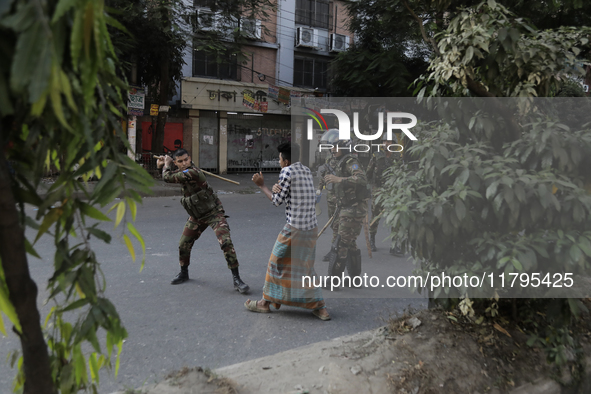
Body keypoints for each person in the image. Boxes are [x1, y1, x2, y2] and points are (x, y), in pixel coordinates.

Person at [247, 142, 330, 320]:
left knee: (275, 263)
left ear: (285, 160)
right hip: (310, 228)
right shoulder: (306, 170)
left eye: (279, 159)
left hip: (295, 229)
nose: (279, 162)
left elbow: (277, 201)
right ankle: (320, 307)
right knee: (305, 267)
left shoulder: (287, 171)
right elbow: (295, 194)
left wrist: (262, 185)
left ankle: (264, 303)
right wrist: (279, 187)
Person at [157, 149, 249, 293]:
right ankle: (184, 272)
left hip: (213, 213)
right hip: (197, 216)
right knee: (183, 244)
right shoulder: (182, 173)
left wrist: (166, 164)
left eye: (186, 160)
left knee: (225, 242)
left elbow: (167, 177)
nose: (184, 163)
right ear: (176, 163)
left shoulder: (193, 172)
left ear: (190, 158)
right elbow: (168, 176)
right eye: (180, 161)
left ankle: (237, 279)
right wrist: (161, 166)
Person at [323, 139, 368, 279]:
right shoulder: (338, 161)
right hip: (346, 206)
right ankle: (355, 278)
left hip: (354, 208)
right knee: (350, 243)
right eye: (332, 147)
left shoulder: (350, 162)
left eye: (336, 147)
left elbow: (361, 179)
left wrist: (339, 179)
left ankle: (333, 280)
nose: (333, 149)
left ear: (344, 148)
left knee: (341, 243)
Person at [365, 136, 402, 255]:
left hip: (393, 191)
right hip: (378, 190)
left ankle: (394, 244)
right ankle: (372, 239)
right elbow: (368, 174)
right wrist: (366, 191)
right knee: (375, 215)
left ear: (393, 143)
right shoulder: (376, 156)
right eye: (385, 141)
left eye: (389, 141)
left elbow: (402, 173)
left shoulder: (398, 157)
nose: (386, 143)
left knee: (395, 218)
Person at [316, 129, 340, 262]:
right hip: (331, 197)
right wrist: (319, 188)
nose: (332, 148)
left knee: (337, 225)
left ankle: (334, 251)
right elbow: (324, 175)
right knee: (333, 225)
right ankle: (337, 248)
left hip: (342, 198)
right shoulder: (329, 158)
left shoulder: (346, 160)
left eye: (334, 145)